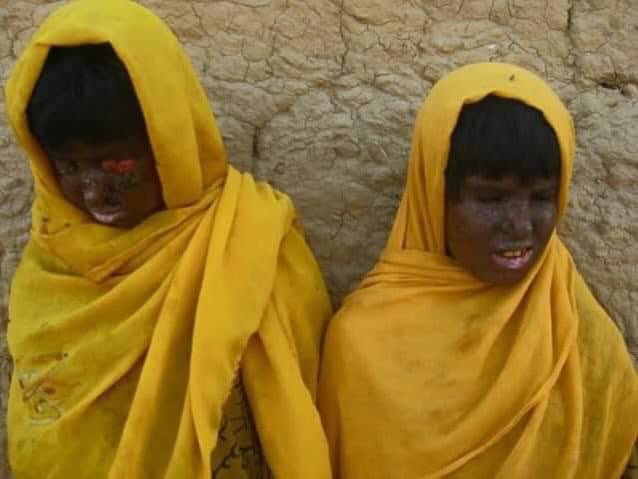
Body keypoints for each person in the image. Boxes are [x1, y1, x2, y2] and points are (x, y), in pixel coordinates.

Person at [5, 1, 332, 478]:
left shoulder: (251, 243)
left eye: (116, 164)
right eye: (70, 168)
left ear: (171, 141)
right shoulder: (52, 264)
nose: (93, 191)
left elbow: (292, 414)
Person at [318, 63, 638, 478]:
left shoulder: (578, 330)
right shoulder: (362, 346)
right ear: (434, 194)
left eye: (542, 197)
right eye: (490, 198)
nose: (520, 225)